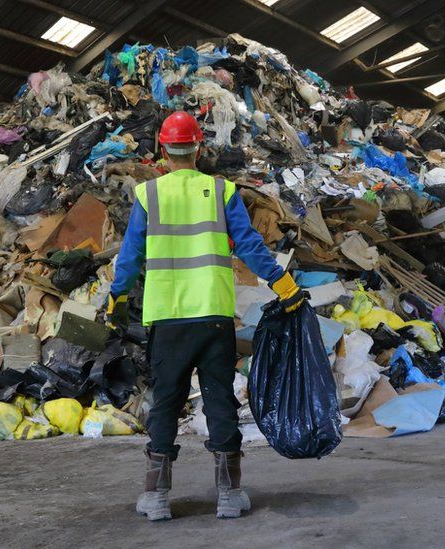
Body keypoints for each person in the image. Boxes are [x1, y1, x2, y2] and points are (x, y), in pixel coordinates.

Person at [106, 111, 302, 520]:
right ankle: (229, 496)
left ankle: (157, 498)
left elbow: (128, 258)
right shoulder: (221, 190)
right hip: (213, 316)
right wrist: (282, 285)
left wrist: (117, 300)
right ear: (199, 148)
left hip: (168, 316)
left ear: (162, 148)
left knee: (165, 403)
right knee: (220, 400)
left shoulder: (149, 195)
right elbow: (249, 246)